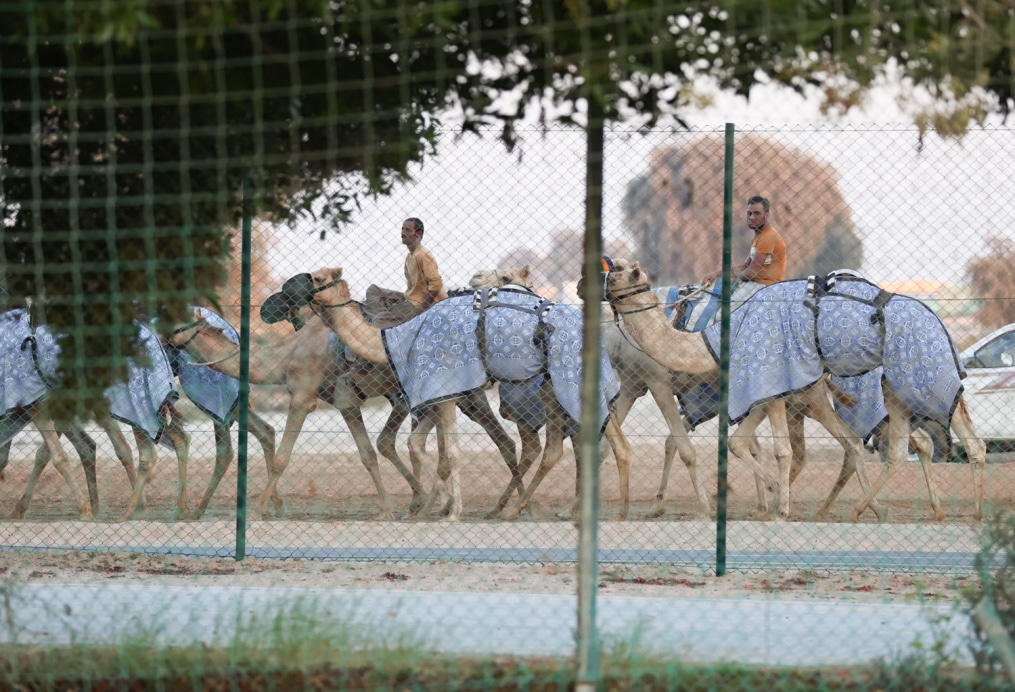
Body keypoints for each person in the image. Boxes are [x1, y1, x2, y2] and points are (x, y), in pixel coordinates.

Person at [701, 196, 786, 312]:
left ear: (766, 215)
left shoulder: (768, 237)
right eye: (749, 213)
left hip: (765, 287)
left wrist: (731, 279)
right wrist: (717, 274)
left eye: (757, 213)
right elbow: (745, 266)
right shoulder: (759, 237)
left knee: (722, 313)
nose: (751, 217)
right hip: (755, 285)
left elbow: (751, 273)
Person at [365, 217, 448, 328]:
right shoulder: (410, 256)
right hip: (409, 298)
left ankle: (389, 320)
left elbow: (436, 284)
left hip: (421, 305)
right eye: (402, 229)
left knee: (378, 322)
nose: (402, 233)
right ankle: (391, 316)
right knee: (373, 290)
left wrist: (421, 310)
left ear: (418, 233)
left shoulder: (422, 254)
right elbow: (412, 287)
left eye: (407, 230)